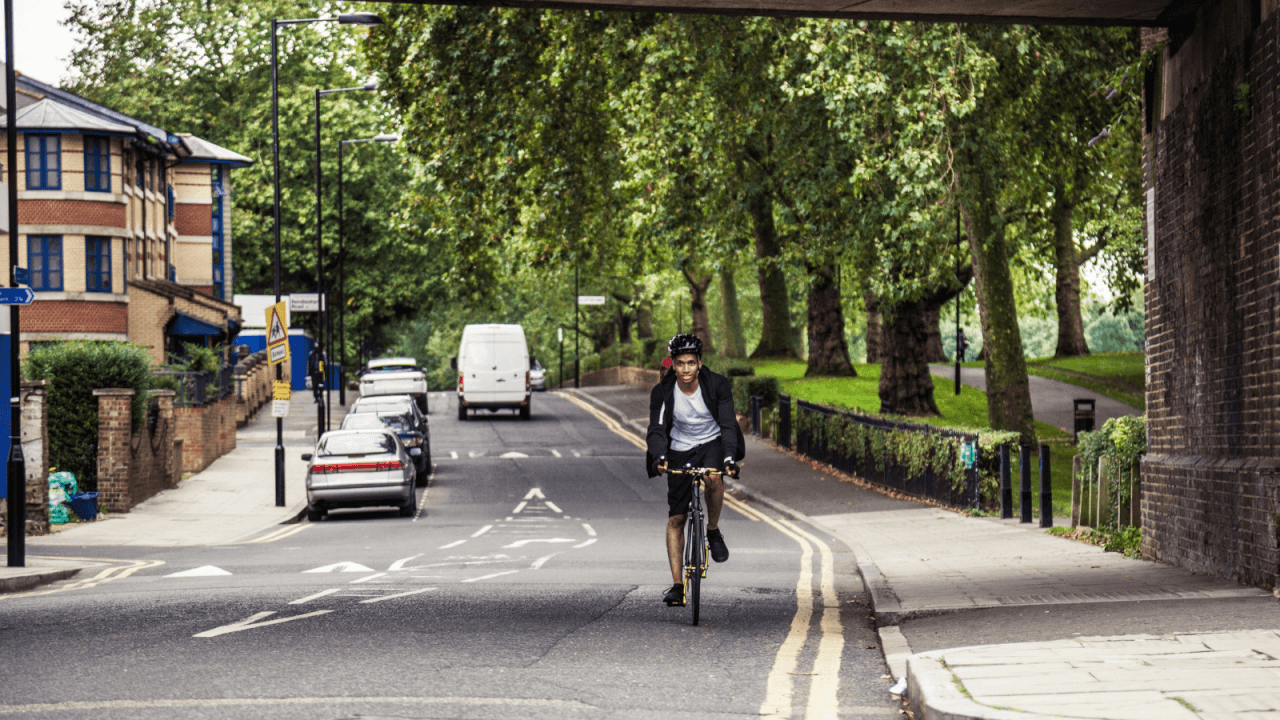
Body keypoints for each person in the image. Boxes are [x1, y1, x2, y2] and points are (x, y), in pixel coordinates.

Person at [646, 333, 745, 607]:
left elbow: (727, 423)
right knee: (676, 518)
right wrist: (660, 457)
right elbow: (656, 429)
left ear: (700, 363)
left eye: (691, 363)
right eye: (680, 364)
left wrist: (728, 458)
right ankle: (678, 586)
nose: (686, 369)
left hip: (712, 441)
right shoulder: (663, 392)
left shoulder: (717, 386)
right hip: (679, 447)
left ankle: (712, 530)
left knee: (714, 478)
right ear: (673, 366)